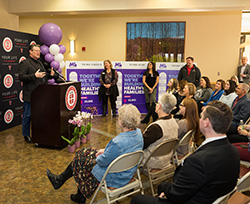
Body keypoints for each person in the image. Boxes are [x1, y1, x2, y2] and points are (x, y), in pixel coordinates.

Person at [131, 101, 240, 204]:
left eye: (201, 116)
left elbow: (177, 195)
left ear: (206, 123)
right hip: (210, 196)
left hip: (189, 199)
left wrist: (166, 189)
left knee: (138, 199)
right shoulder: (234, 151)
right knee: (162, 187)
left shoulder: (198, 161)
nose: (199, 119)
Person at [47, 104, 143, 204]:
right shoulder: (139, 135)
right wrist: (106, 150)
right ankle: (67, 185)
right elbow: (124, 150)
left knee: (81, 158)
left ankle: (66, 184)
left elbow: (102, 162)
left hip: (114, 177)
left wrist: (100, 155)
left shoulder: (117, 142)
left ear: (122, 121)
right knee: (84, 153)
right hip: (127, 171)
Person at [18, 44, 58, 143]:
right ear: (30, 52)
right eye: (36, 50)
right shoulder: (25, 63)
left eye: (39, 51)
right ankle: (26, 134)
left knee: (40, 116)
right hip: (30, 95)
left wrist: (50, 76)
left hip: (41, 95)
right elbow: (21, 77)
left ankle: (39, 133)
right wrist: (34, 75)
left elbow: (43, 77)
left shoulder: (40, 63)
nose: (38, 52)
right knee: (28, 115)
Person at [141, 93, 178, 170]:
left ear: (159, 106)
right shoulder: (174, 122)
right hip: (167, 159)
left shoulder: (156, 127)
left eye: (157, 103)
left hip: (152, 162)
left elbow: (141, 144)